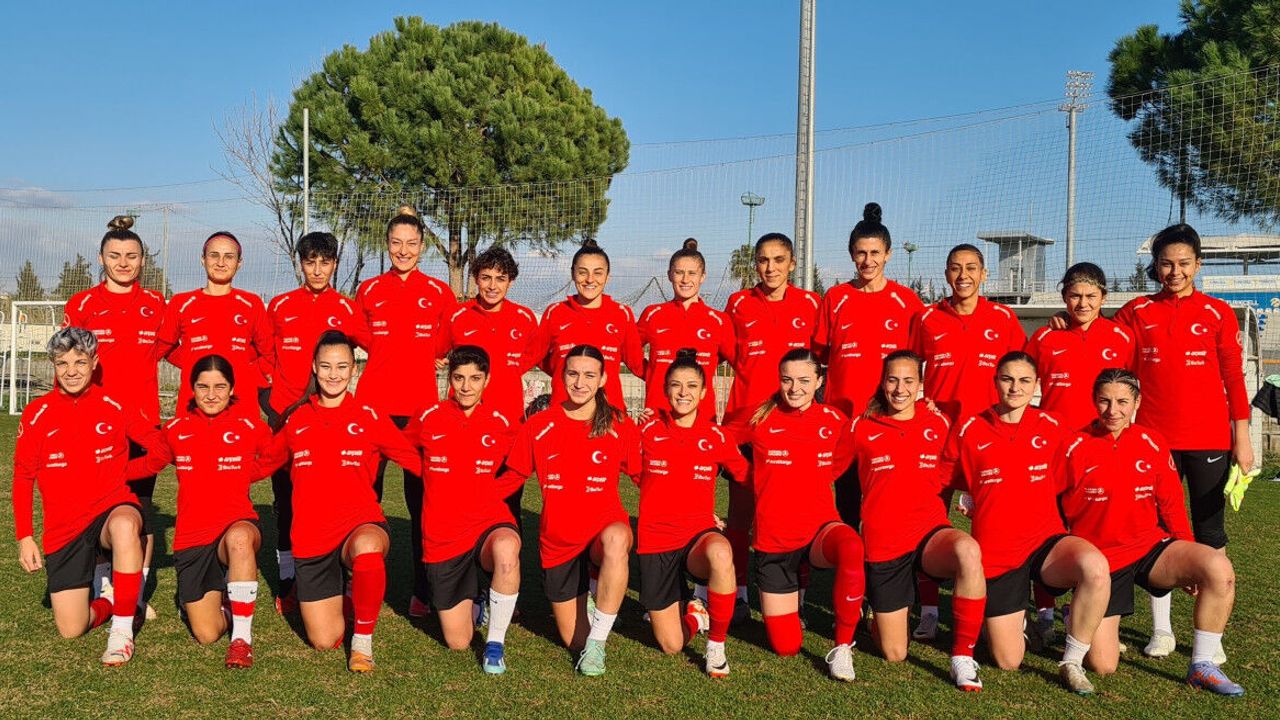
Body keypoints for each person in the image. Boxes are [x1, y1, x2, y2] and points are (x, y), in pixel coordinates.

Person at [1113, 223, 1252, 660]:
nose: (1175, 272)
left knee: (1209, 531)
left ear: (1199, 265)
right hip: (1154, 443)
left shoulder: (1218, 312)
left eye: (1184, 263)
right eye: (1166, 264)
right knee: (1159, 534)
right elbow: (1103, 349)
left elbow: (1234, 379)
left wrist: (1242, 437)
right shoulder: (1135, 312)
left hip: (1210, 440)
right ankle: (1162, 629)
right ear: (1155, 266)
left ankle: (1212, 634)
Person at [1060, 368, 1243, 695]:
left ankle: (1203, 665)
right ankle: (1077, 612)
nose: (1112, 410)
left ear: (1137, 403)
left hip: (1149, 548)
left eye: (1122, 402)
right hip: (1103, 561)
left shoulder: (1152, 442)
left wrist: (1187, 553)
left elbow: (1171, 505)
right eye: (1104, 401)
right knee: (1103, 664)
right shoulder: (1073, 445)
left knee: (1218, 568)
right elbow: (1051, 505)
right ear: (1093, 401)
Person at [943, 352, 1110, 694]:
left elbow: (1070, 477)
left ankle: (1071, 661)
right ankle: (1014, 619)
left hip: (1045, 541)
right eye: (1007, 379)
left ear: (1036, 385)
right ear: (995, 382)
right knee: (1008, 660)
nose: (1015, 387)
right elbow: (949, 475)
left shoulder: (1052, 425)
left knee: (1095, 566)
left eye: (1024, 380)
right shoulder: (970, 428)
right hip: (998, 551)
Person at [260, 330, 421, 672]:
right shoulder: (295, 419)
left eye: (342, 366)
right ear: (314, 368)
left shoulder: (369, 416)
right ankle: (349, 595)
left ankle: (362, 642)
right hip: (312, 539)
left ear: (353, 369)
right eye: (326, 366)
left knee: (367, 548)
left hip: (358, 525)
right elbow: (262, 464)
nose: (333, 374)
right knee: (324, 640)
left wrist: (465, 476)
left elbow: (415, 461)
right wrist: (205, 466)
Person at [12, 328, 163, 665]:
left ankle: (122, 632)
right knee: (72, 628)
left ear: (94, 362)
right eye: (62, 363)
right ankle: (115, 601)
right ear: (53, 365)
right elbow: (22, 477)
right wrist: (25, 536)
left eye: (80, 362)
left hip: (111, 509)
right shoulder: (36, 413)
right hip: (64, 528)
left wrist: (124, 472)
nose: (71, 371)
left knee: (125, 524)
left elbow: (159, 448)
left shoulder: (115, 405)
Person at [499, 345, 639, 676]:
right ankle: (589, 607)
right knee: (574, 640)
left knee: (617, 540)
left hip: (602, 533)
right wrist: (469, 503)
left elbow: (645, 477)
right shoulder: (539, 425)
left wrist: (695, 512)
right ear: (562, 377)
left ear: (603, 379)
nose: (580, 382)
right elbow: (512, 478)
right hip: (559, 544)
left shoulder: (618, 424)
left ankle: (598, 644)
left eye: (589, 375)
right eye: (573, 374)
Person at [849, 351, 986, 691]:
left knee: (968, 550)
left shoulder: (937, 422)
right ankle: (876, 608)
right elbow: (826, 464)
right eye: (893, 380)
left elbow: (959, 466)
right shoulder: (861, 427)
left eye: (909, 381)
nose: (900, 389)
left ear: (921, 384)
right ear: (882, 383)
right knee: (895, 652)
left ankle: (962, 656)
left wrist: (973, 495)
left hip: (929, 533)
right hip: (885, 542)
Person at [909, 242, 1025, 639]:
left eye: (972, 268)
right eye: (956, 268)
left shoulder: (1003, 318)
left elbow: (1020, 373)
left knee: (997, 528)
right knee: (927, 522)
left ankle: (1001, 609)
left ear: (984, 274)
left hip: (990, 440)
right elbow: (908, 369)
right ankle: (927, 610)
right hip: (937, 440)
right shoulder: (927, 318)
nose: (964, 275)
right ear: (946, 274)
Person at [129, 354, 271, 668]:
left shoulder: (250, 426)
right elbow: (150, 464)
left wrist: (246, 474)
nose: (211, 395)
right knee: (206, 634)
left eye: (220, 386)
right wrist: (104, 473)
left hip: (235, 525)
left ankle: (241, 640)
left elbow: (277, 455)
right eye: (203, 386)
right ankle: (229, 602)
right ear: (192, 389)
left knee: (240, 539)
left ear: (232, 388)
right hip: (192, 537)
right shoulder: (176, 429)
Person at [734, 348, 865, 681]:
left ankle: (843, 647)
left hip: (819, 530)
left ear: (819, 381)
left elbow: (854, 450)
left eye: (804, 380)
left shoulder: (835, 420)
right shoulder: (759, 416)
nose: (795, 388)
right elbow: (715, 439)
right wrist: (750, 477)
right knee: (787, 646)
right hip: (774, 541)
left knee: (851, 545)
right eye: (787, 380)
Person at [354, 205, 459, 618]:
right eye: (396, 242)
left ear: (422, 247)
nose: (403, 250)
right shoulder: (368, 290)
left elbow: (445, 343)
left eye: (411, 243)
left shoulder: (438, 293)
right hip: (374, 410)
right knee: (365, 499)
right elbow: (361, 337)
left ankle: (422, 589)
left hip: (421, 414)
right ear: (387, 245)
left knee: (424, 504)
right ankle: (357, 582)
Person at [62, 215, 166, 620]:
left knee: (140, 508)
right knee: (96, 507)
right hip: (94, 425)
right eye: (115, 255)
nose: (123, 263)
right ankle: (103, 583)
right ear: (101, 258)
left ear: (143, 260)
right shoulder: (82, 304)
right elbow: (68, 365)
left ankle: (135, 592)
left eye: (132, 256)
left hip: (143, 425)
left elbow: (172, 350)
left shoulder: (157, 304)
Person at [265, 230, 370, 613]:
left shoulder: (347, 308)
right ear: (300, 264)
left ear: (335, 265)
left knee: (327, 499)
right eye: (310, 262)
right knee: (286, 501)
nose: (317, 269)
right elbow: (262, 354)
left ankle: (337, 576)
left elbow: (378, 348)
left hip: (329, 422)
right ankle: (287, 577)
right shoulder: (279, 305)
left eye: (325, 262)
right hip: (285, 418)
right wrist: (272, 402)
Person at [722, 233, 821, 620]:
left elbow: (820, 361)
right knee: (740, 514)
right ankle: (739, 592)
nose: (770, 267)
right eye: (763, 260)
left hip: (795, 428)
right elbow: (726, 353)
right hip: (745, 427)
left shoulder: (811, 304)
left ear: (792, 264)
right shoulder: (738, 303)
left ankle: (798, 595)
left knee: (796, 515)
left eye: (779, 260)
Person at [812, 203, 924, 534]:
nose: (868, 260)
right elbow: (820, 354)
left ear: (888, 254)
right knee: (847, 506)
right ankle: (848, 564)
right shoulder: (836, 298)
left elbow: (918, 360)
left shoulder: (907, 302)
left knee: (886, 506)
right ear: (851, 254)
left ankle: (886, 562)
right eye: (861, 253)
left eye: (875, 252)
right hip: (844, 421)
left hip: (889, 423)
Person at [635, 348, 746, 677]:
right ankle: (697, 615)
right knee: (671, 644)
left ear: (704, 392)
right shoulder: (646, 430)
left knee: (721, 552)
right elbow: (627, 467)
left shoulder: (716, 436)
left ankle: (716, 647)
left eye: (692, 386)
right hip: (656, 540)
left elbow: (748, 476)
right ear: (665, 390)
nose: (683, 393)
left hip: (697, 536)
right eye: (676, 385)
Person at [416, 346, 522, 674]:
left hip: (488, 520)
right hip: (444, 533)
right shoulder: (428, 417)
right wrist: (431, 476)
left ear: (487, 380)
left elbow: (521, 466)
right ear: (449, 379)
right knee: (459, 641)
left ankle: (494, 644)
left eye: (475, 378)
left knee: (506, 549)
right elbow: (398, 448)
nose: (466, 386)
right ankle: (478, 599)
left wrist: (488, 494)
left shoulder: (501, 422)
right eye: (459, 378)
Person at [156, 230, 275, 419]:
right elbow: (163, 347)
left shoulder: (252, 303)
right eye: (214, 255)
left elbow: (268, 353)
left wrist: (244, 371)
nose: (221, 262)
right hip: (194, 407)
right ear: (203, 259)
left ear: (239, 263)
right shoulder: (181, 303)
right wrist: (192, 361)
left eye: (229, 257)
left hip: (241, 408)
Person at [526, 239, 644, 411]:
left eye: (598, 273)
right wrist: (561, 370)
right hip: (563, 413)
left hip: (609, 414)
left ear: (607, 276)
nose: (590, 280)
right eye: (582, 272)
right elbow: (532, 357)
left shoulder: (621, 314)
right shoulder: (556, 312)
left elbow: (638, 365)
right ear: (573, 273)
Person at [1024, 262, 1134, 432]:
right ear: (1064, 297)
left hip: (1103, 436)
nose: (1083, 304)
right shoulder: (1044, 337)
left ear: (1103, 297)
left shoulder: (1123, 337)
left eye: (1091, 296)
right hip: (1054, 435)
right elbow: (1020, 384)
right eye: (1075, 296)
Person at [637, 238, 735, 420]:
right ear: (669, 275)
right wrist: (652, 374)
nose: (685, 280)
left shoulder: (719, 321)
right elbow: (629, 352)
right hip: (658, 414)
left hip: (702, 418)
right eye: (679, 272)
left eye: (692, 273)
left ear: (703, 276)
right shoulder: (653, 314)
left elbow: (738, 361)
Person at [446, 246, 538, 424]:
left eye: (500, 279)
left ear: (510, 282)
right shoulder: (457, 315)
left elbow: (539, 356)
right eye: (486, 278)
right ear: (476, 279)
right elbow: (434, 351)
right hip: (463, 417)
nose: (492, 286)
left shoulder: (524, 318)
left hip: (509, 418)